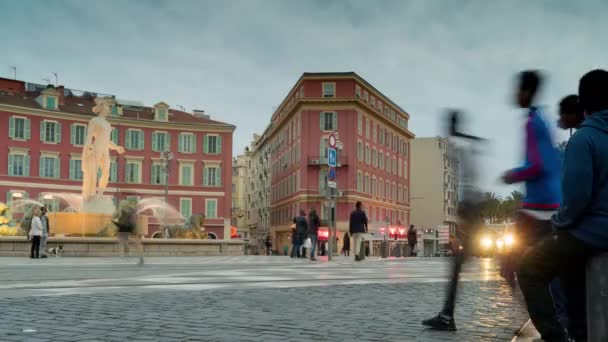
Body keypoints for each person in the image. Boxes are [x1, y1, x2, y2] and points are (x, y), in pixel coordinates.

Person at [518, 69, 608, 342]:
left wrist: (559, 223)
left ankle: (557, 336)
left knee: (530, 268)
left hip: (592, 234)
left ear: (584, 103)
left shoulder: (583, 139)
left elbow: (576, 200)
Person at [113, 200, 144, 266]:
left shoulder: (120, 210)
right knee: (137, 243)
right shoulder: (132, 210)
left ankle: (124, 252)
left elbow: (114, 216)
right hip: (132, 227)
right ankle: (140, 257)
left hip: (124, 228)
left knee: (122, 240)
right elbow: (135, 218)